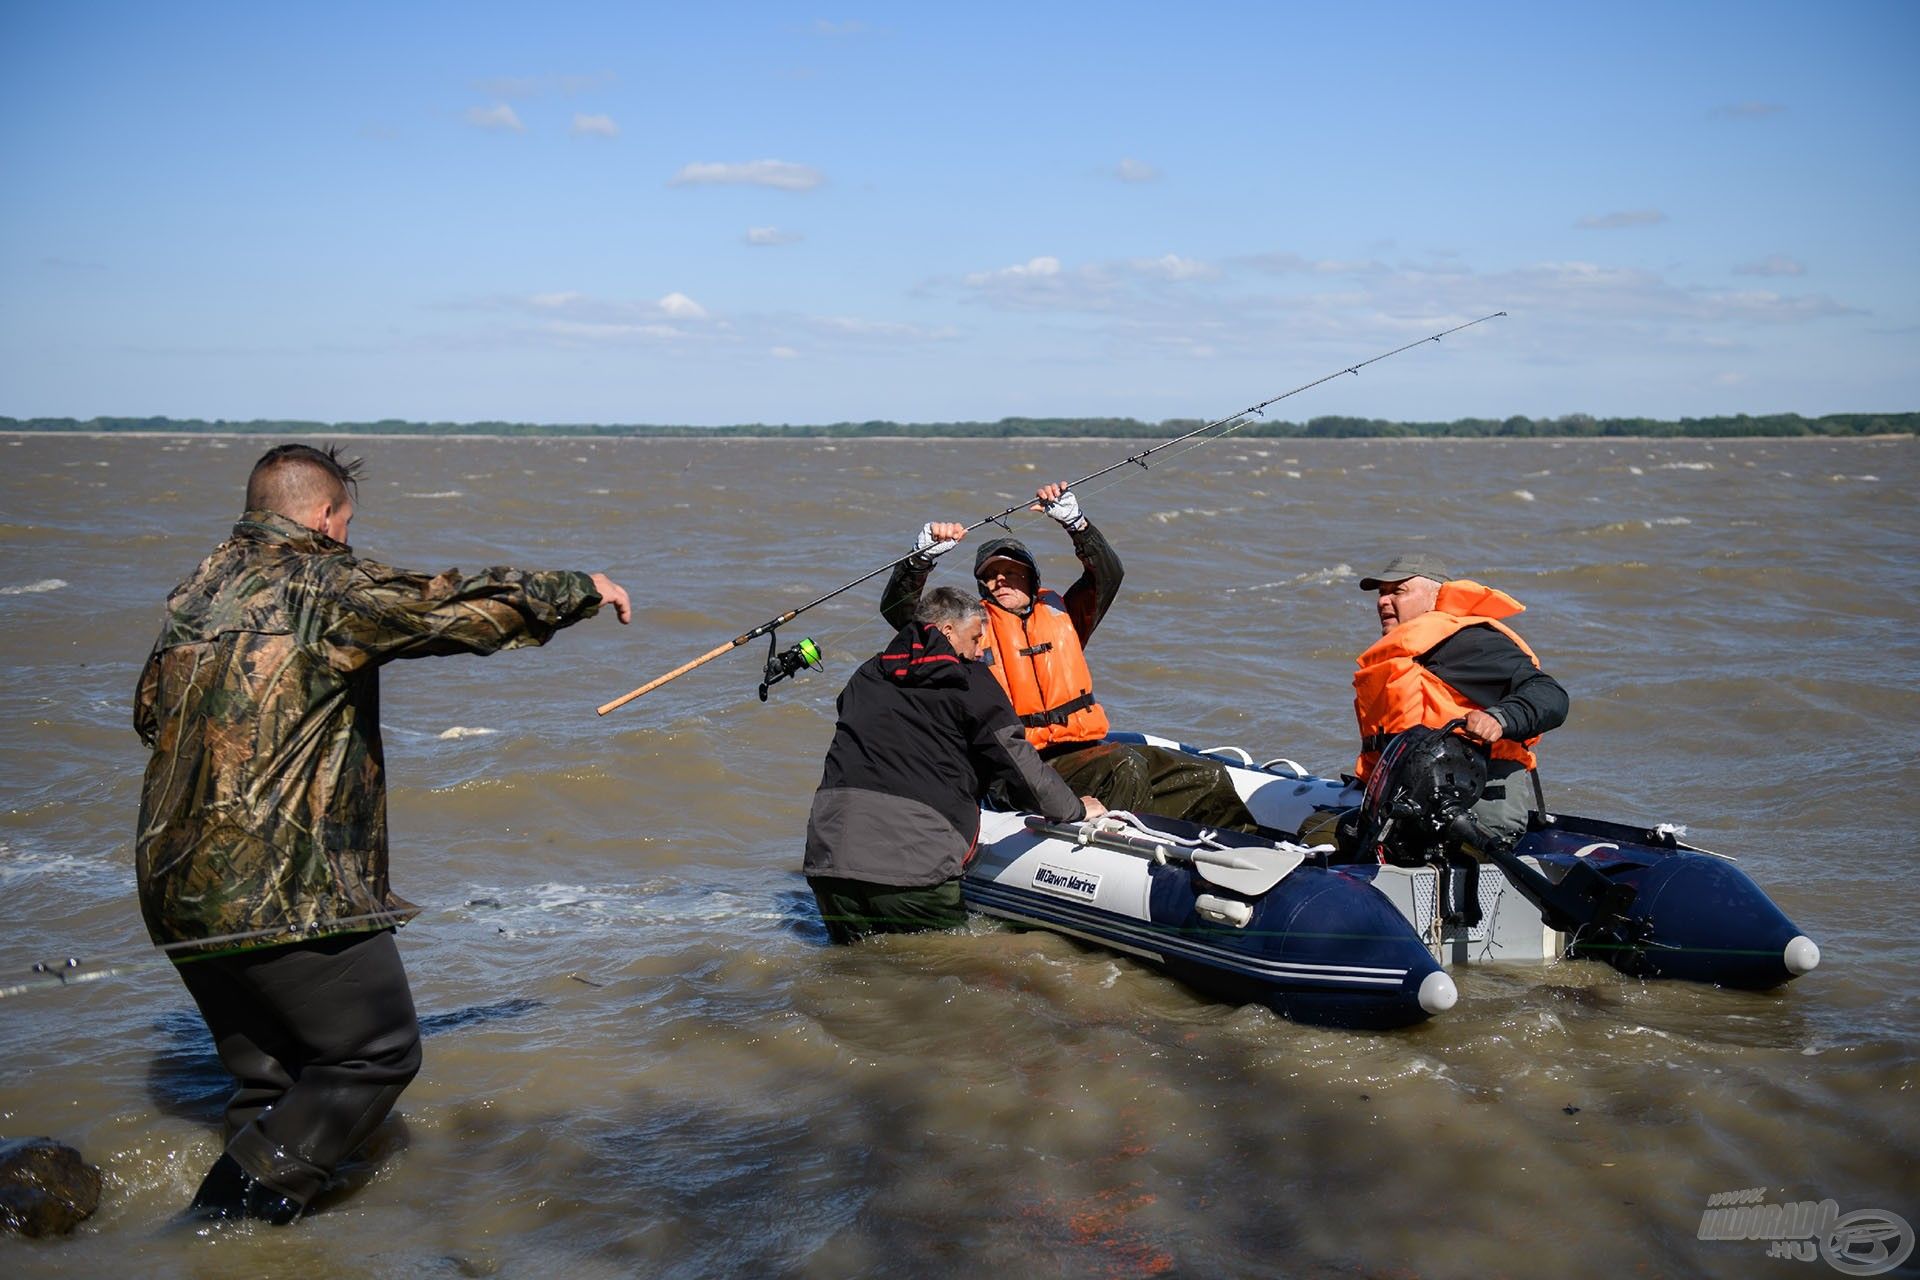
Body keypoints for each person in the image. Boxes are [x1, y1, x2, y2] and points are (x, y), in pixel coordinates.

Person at [133, 443, 633, 1223]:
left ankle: (283, 1244)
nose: (346, 534)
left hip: (176, 887)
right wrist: (579, 590)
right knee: (377, 1052)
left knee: (275, 1081)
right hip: (282, 885)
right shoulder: (320, 580)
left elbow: (147, 719)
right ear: (326, 517)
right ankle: (220, 1228)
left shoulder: (194, 591)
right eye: (346, 521)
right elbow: (444, 605)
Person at [879, 482, 1259, 831]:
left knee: (1206, 775)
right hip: (1019, 769)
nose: (1001, 580)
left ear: (1031, 578)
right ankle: (1128, 855)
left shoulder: (1064, 614)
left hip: (1084, 751)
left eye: (1011, 572)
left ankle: (1254, 843)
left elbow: (1108, 574)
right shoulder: (971, 631)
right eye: (991, 576)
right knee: (1124, 767)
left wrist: (1077, 524)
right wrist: (920, 559)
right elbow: (901, 614)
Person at [805, 586, 1106, 943]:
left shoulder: (868, 673)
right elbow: (1020, 765)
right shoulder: (972, 680)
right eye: (976, 638)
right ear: (948, 631)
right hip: (913, 869)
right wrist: (1073, 809)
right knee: (946, 977)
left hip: (828, 860)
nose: (980, 651)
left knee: (850, 977)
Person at [1351, 552, 1568, 838]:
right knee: (1318, 832)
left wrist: (1499, 719)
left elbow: (1551, 695)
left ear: (1435, 596)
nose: (1382, 601)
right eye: (1381, 593)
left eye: (1398, 591)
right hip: (1410, 810)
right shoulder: (1413, 650)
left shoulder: (1467, 642)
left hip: (1474, 820)